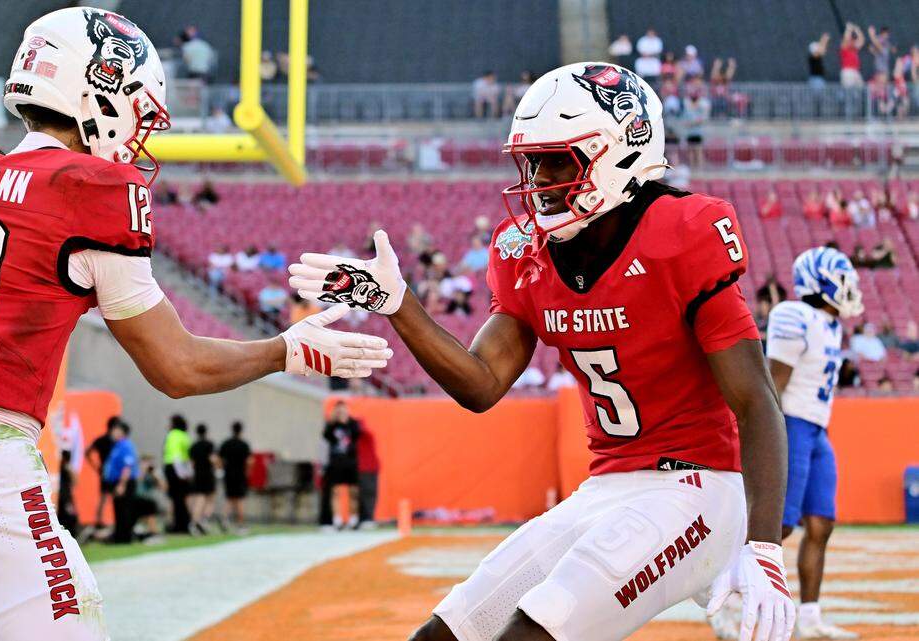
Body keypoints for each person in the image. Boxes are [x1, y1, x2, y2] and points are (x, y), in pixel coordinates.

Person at [0, 8, 391, 640]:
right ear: (100, 91)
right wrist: (284, 350)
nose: (140, 135)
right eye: (139, 111)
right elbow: (177, 368)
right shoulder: (90, 191)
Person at [290, 62, 794, 641]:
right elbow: (481, 384)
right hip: (605, 487)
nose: (540, 178)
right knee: (447, 633)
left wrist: (763, 546)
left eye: (559, 160)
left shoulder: (682, 232)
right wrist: (398, 302)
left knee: (531, 634)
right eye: (532, 161)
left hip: (698, 490)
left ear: (619, 152)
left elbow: (757, 401)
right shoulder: (527, 253)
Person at [722, 247, 862, 640]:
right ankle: (729, 601)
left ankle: (811, 616)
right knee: (778, 524)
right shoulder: (794, 315)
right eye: (844, 280)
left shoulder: (830, 323)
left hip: (818, 428)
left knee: (821, 523)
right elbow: (774, 382)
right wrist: (767, 437)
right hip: (792, 424)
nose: (851, 289)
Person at [319, 400, 360, 529]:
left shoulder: (353, 424)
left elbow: (357, 434)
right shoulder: (331, 425)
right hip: (336, 462)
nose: (342, 412)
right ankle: (337, 520)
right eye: (339, 410)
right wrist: (333, 420)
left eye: (343, 409)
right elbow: (325, 435)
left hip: (350, 462)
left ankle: (354, 519)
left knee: (353, 491)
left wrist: (346, 420)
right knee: (335, 491)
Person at [103, 420, 140, 543]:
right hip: (117, 482)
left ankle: (125, 537)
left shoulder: (125, 445)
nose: (113, 432)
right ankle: (119, 536)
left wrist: (121, 484)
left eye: (116, 430)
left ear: (122, 432)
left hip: (124, 482)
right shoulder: (117, 445)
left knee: (124, 510)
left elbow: (127, 466)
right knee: (118, 509)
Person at [85, 416, 120, 530]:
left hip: (111, 472)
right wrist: (96, 466)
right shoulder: (108, 440)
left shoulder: (112, 440)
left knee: (108, 497)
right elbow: (87, 451)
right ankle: (99, 522)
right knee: (106, 497)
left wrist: (96, 466)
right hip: (108, 472)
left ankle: (107, 522)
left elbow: (87, 451)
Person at [219, 421, 252, 533]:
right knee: (240, 500)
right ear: (241, 430)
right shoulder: (244, 445)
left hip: (228, 474)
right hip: (240, 474)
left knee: (230, 498)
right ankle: (241, 524)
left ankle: (224, 518)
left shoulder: (226, 444)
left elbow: (218, 458)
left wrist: (222, 468)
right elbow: (249, 461)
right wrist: (247, 472)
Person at [164, 415, 193, 534]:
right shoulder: (185, 436)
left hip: (174, 468)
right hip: (183, 469)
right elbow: (187, 457)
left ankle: (179, 526)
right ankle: (184, 524)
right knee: (182, 498)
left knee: (176, 499)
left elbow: (175, 455)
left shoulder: (173, 434)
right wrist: (187, 472)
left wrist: (180, 473)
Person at [187, 423, 218, 535]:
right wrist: (217, 467)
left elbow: (191, 463)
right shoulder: (209, 445)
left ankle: (195, 522)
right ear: (206, 432)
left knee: (199, 498)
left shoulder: (193, 446)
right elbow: (213, 460)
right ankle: (203, 520)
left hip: (197, 475)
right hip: (208, 474)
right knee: (210, 499)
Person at [356, 421, 380, 529]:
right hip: (362, 469)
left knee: (369, 494)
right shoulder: (355, 439)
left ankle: (368, 518)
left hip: (369, 468)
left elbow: (364, 431)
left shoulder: (365, 435)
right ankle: (364, 518)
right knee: (364, 494)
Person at [58, 450, 79, 536]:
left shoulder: (66, 469)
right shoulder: (54, 468)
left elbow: (75, 482)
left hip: (66, 498)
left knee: (71, 518)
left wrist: (68, 467)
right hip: (58, 498)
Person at [839, 23, 865, 88]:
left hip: (855, 71)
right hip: (847, 71)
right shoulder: (844, 47)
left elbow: (862, 41)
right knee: (848, 90)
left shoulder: (854, 48)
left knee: (861, 88)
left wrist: (858, 30)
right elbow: (845, 39)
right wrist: (849, 29)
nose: (853, 40)